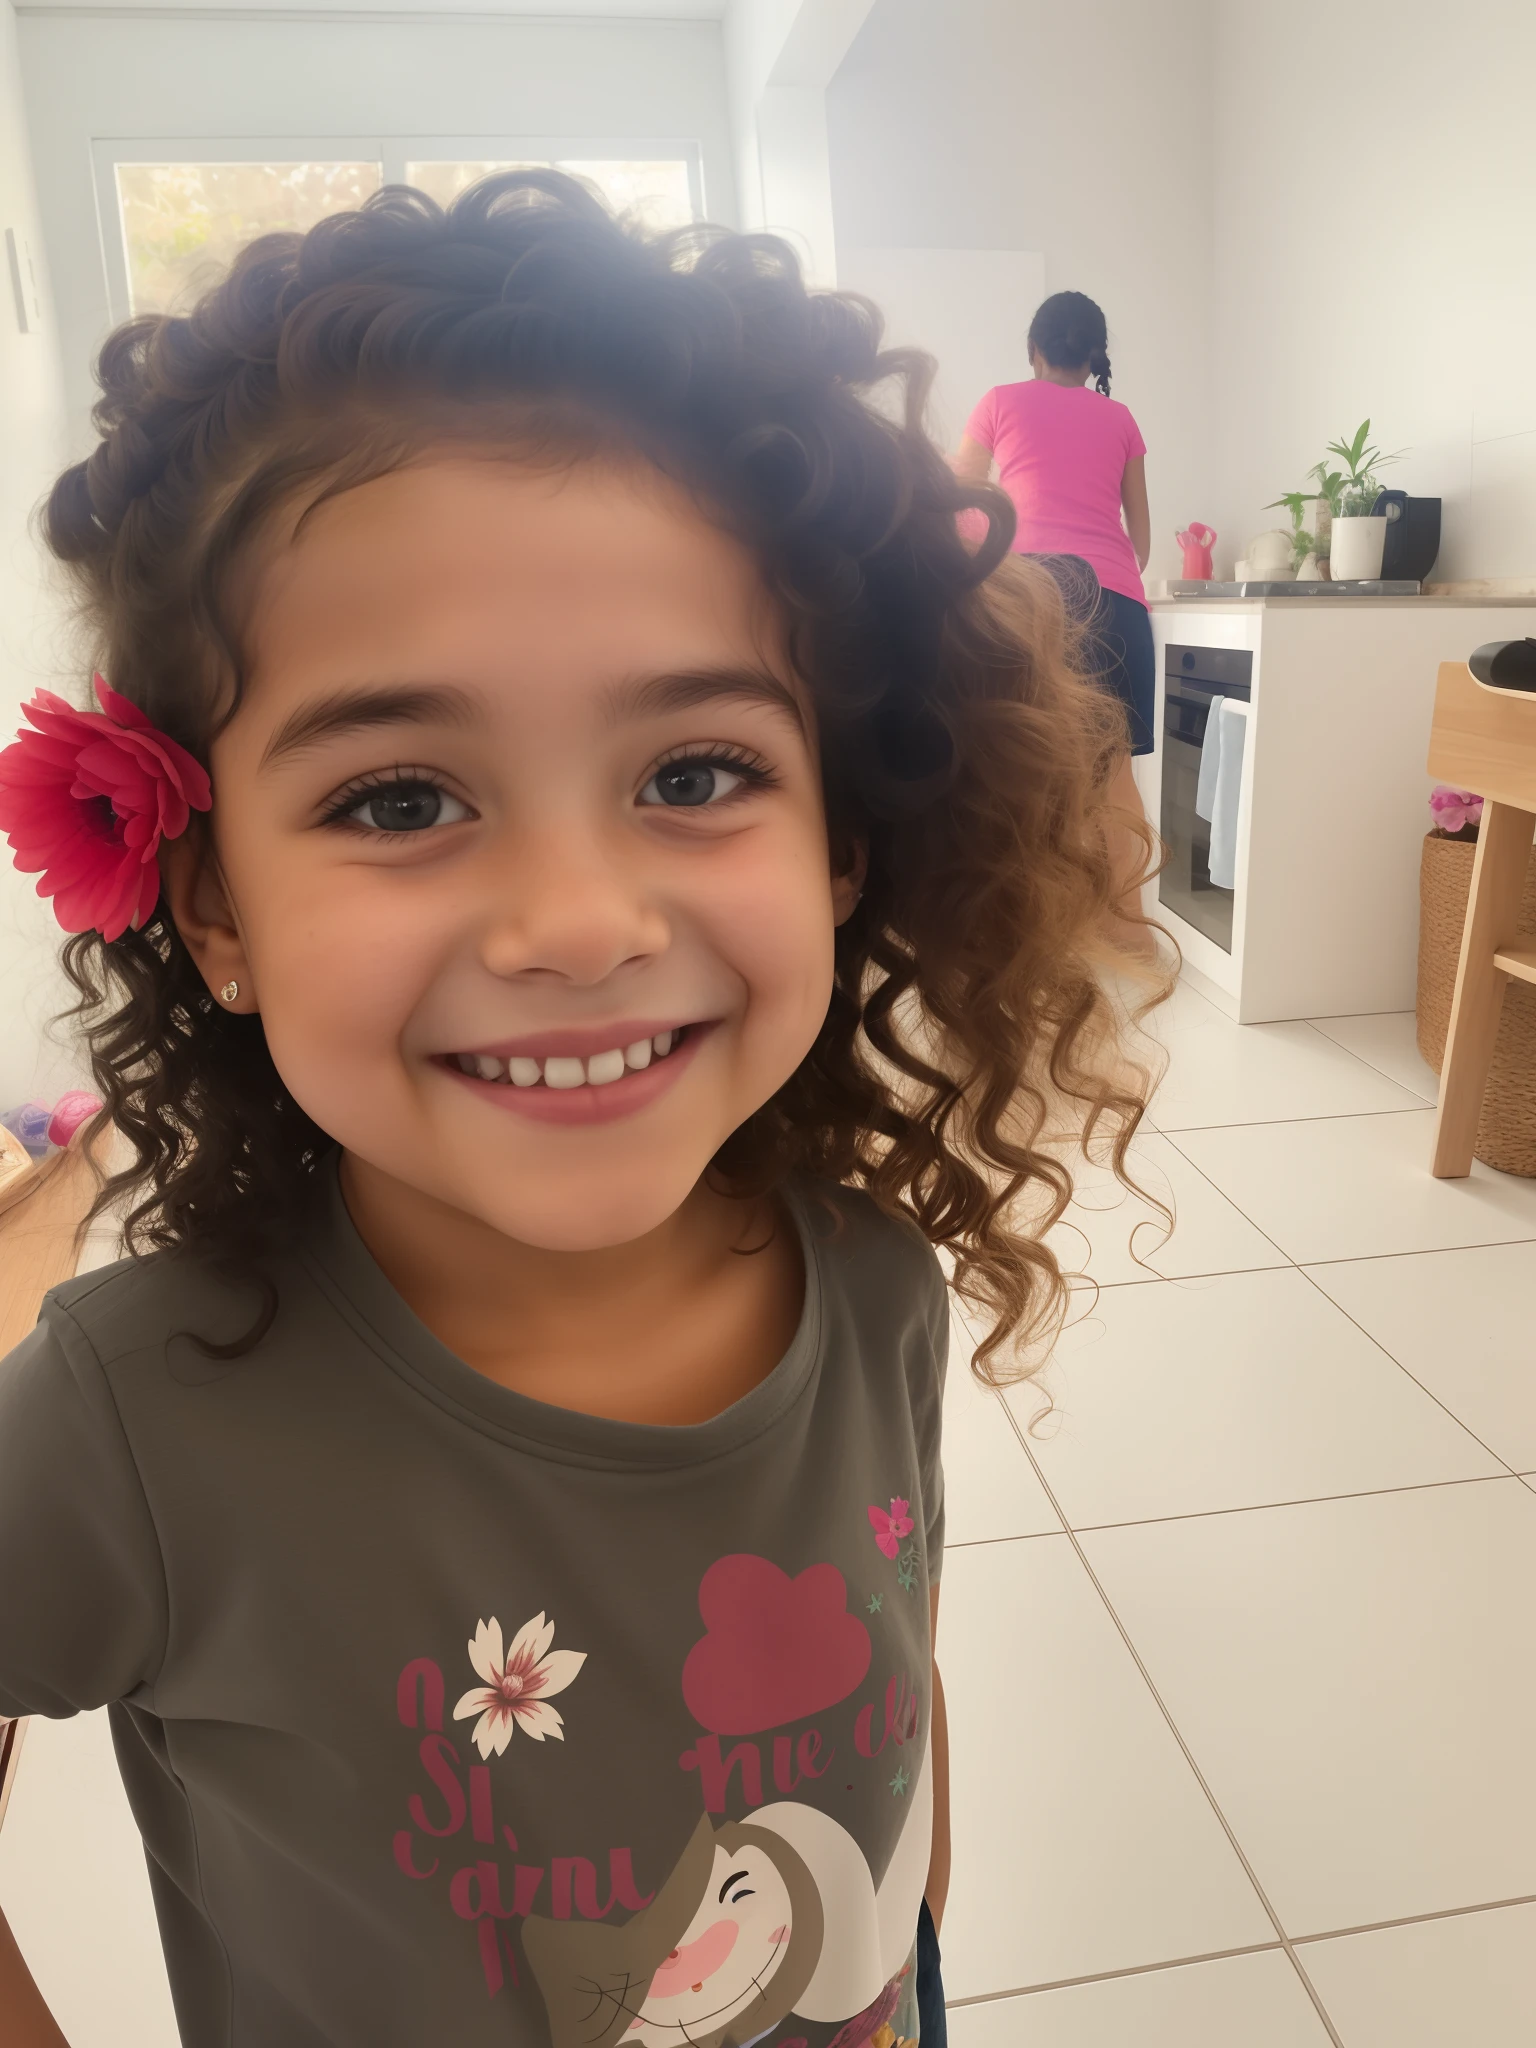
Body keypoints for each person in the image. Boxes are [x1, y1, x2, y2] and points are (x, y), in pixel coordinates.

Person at [0, 175, 1160, 2048]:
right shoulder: (133, 1412)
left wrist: (901, 1920)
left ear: (840, 839)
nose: (576, 924)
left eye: (695, 768)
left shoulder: (869, 1279)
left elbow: (887, 1644)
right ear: (214, 908)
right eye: (398, 797)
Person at [953, 291, 1155, 946]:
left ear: (1034, 350)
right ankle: (1128, 935)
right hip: (1114, 596)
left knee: (1025, 767)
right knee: (1113, 771)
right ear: (1096, 354)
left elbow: (958, 506)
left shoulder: (999, 403)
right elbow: (1140, 537)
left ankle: (1037, 934)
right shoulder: (1119, 417)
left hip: (1031, 595)